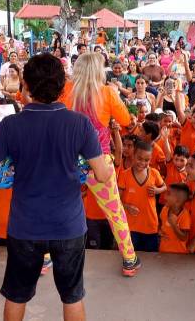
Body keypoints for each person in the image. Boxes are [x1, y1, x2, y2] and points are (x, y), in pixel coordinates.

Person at [0, 53, 113, 321]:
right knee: (72, 296)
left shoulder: (11, 125)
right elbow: (102, 175)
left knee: (17, 294)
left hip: (25, 227)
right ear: (61, 87)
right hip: (68, 225)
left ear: (26, 86)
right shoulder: (80, 124)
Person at [60, 53, 142, 276]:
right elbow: (126, 121)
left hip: (66, 162)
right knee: (115, 212)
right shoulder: (107, 92)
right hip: (99, 163)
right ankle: (129, 260)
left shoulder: (65, 90)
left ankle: (46, 258)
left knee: (56, 208)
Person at [119, 139, 166, 252]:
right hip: (131, 226)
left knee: (150, 258)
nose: (142, 163)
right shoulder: (124, 175)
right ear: (133, 155)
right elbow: (117, 199)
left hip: (150, 224)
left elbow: (165, 187)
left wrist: (157, 190)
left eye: (147, 160)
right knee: (132, 255)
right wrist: (127, 207)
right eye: (139, 158)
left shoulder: (154, 173)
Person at [158, 183, 192, 254]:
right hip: (163, 251)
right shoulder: (164, 210)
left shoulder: (185, 215)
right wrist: (160, 231)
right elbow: (161, 223)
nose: (164, 197)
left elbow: (184, 238)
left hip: (179, 254)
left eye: (168, 194)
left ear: (178, 201)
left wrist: (174, 225)